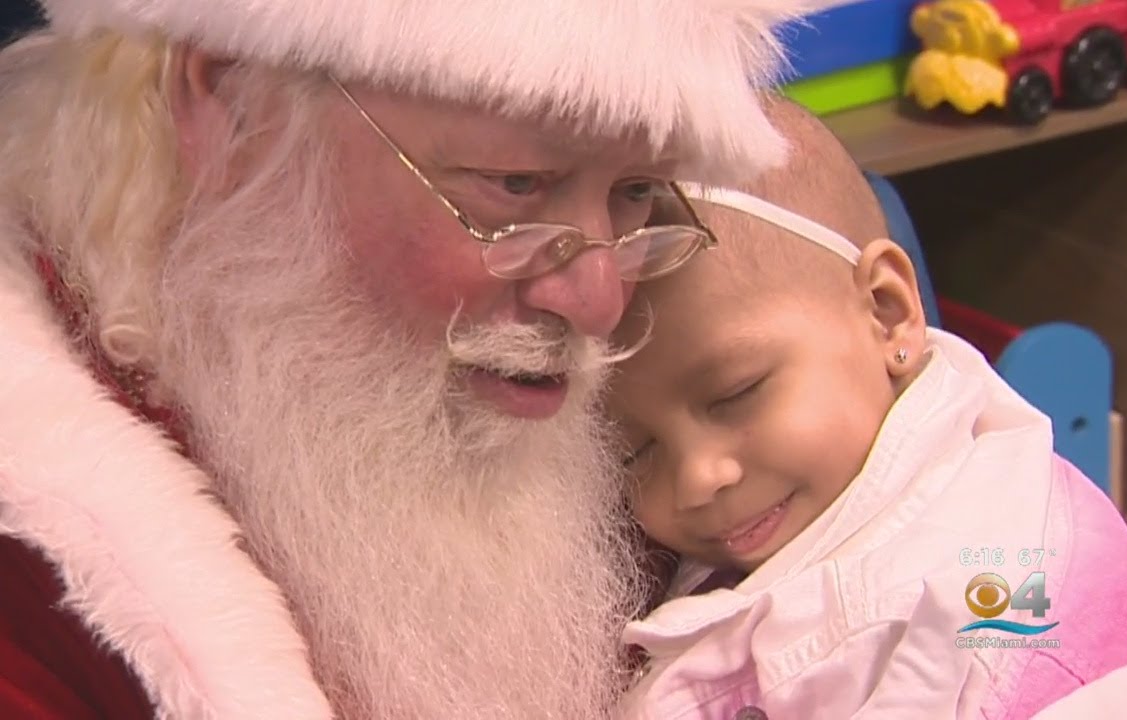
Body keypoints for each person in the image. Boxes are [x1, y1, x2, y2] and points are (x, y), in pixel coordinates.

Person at [0, 1, 822, 718]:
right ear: (231, 104)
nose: (600, 302)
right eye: (516, 183)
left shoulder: (701, 386)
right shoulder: (29, 608)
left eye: (636, 192)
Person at [608, 100, 1127, 719]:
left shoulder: (932, 613)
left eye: (736, 393)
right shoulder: (917, 473)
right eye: (635, 452)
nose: (699, 477)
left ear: (887, 311)